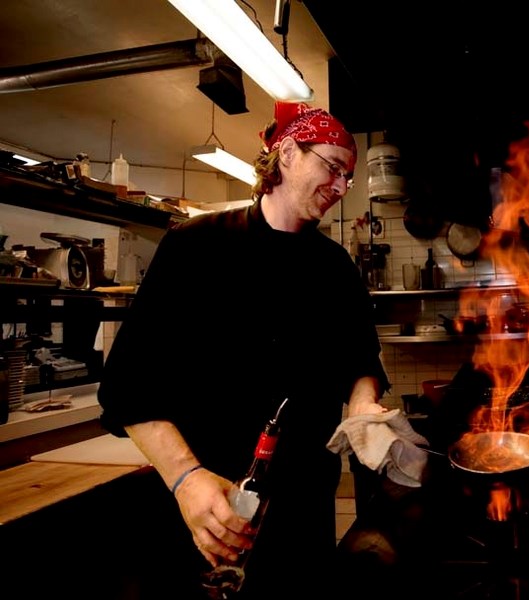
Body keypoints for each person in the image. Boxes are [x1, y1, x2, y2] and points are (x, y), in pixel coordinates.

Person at [97, 101, 390, 598]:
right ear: (290, 153)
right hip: (207, 505)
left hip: (303, 506)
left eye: (348, 177)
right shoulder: (193, 247)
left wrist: (363, 406)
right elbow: (128, 388)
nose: (342, 188)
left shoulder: (335, 266)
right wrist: (186, 479)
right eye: (334, 168)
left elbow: (360, 359)